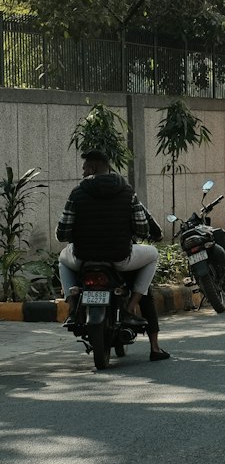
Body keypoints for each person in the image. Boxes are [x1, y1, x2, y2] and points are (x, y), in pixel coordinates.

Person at [57, 150, 169, 362]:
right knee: (153, 255)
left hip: (83, 258)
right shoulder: (127, 192)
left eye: (84, 169)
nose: (83, 173)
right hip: (120, 259)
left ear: (91, 168)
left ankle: (72, 307)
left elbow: (62, 232)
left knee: (62, 259)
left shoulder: (77, 192)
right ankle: (130, 307)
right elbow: (143, 229)